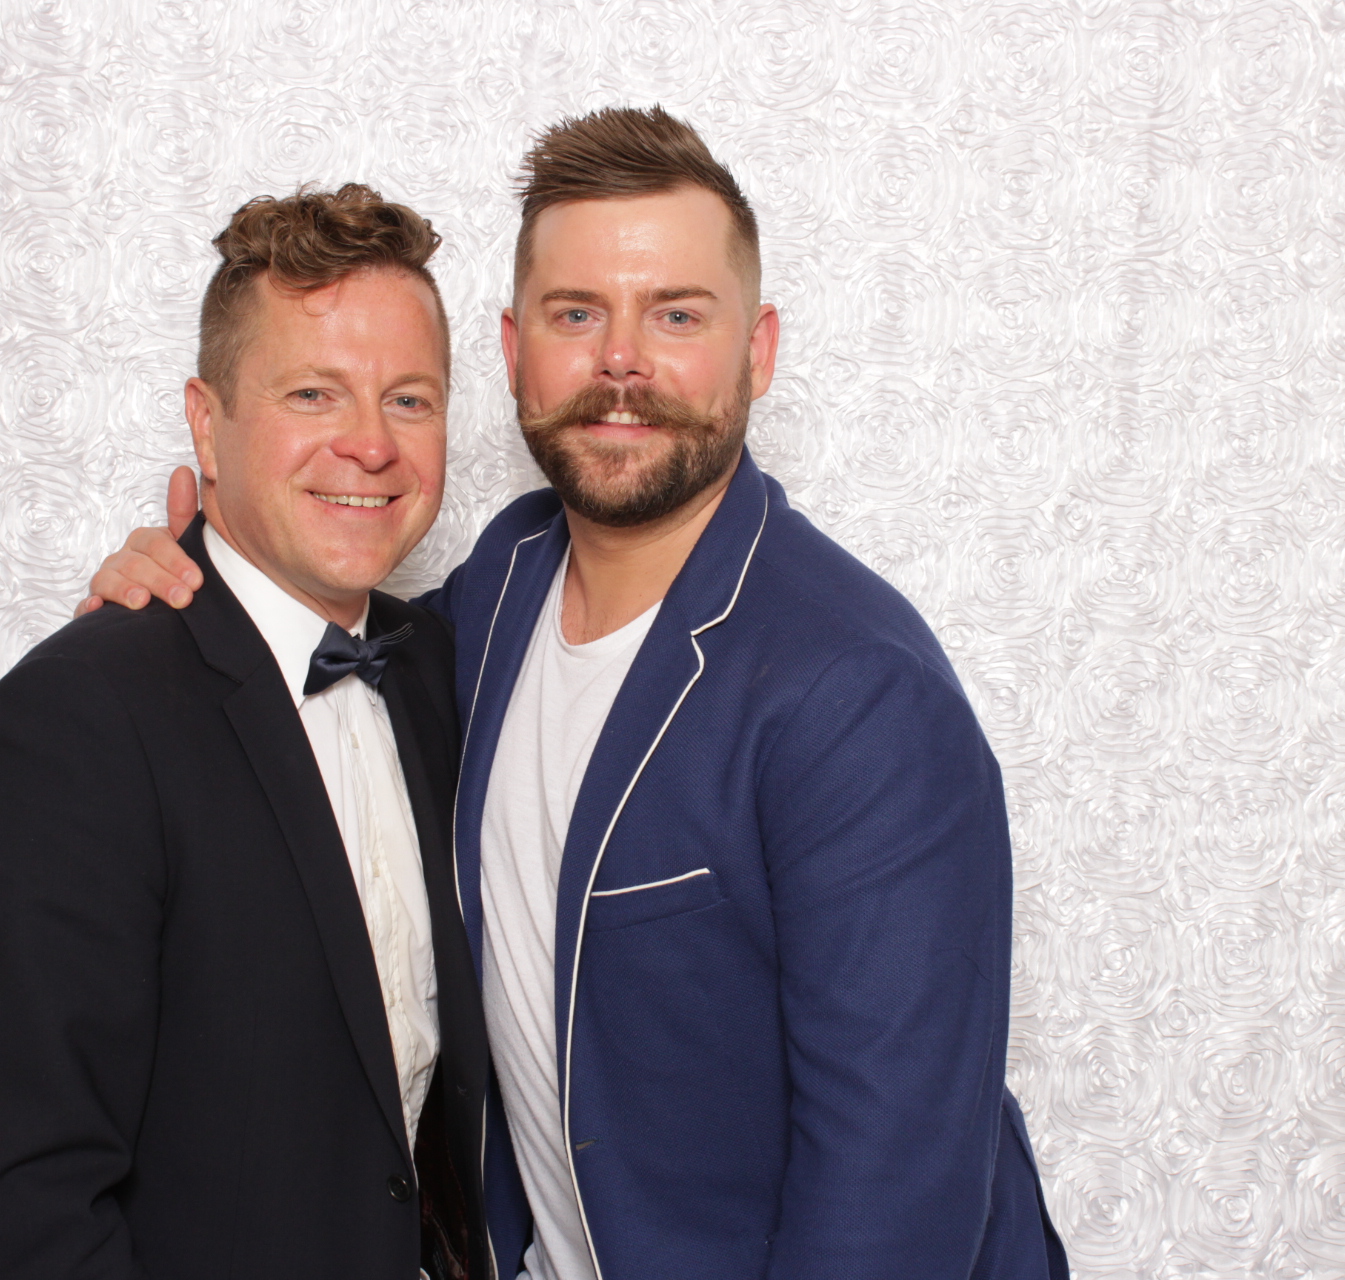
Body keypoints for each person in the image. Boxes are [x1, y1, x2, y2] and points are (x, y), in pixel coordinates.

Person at [85, 108, 1068, 1280]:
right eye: (576, 314)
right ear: (513, 351)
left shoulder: (858, 697)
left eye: (677, 315)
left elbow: (891, 1206)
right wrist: (194, 587)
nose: (621, 362)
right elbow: (318, 658)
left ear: (758, 351)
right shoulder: (499, 589)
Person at [0, 184, 490, 1279]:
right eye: (314, 393)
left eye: (410, 399)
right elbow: (22, 1216)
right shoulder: (72, 726)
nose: (370, 445)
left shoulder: (441, 670)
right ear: (205, 422)